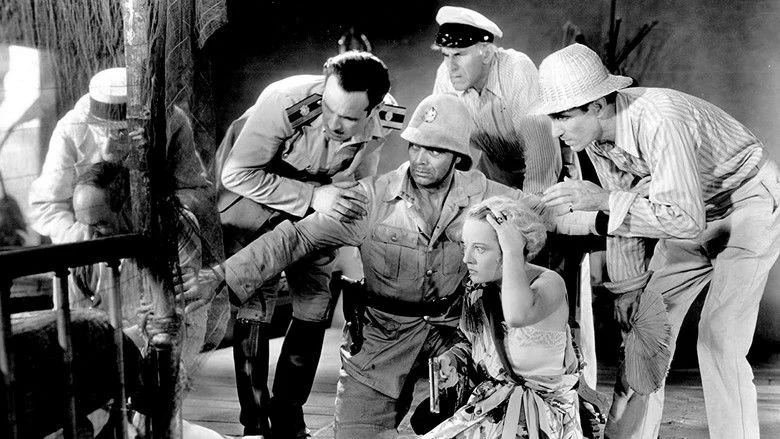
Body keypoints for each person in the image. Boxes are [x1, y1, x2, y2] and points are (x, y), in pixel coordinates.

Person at [204, 93, 601, 438]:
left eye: (435, 151)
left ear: (457, 158)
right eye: (415, 147)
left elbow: (545, 217)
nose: (420, 160)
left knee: (482, 418)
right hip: (382, 338)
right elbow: (296, 238)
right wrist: (223, 276)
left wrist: (604, 212)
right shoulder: (370, 199)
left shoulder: (485, 197)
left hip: (455, 338)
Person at [536, 43, 780, 439]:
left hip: (747, 203)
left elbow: (679, 219)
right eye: (552, 117)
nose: (555, 130)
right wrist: (628, 289)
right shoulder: (595, 138)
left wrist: (604, 201)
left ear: (597, 105)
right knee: (646, 332)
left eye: (563, 116)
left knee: (719, 338)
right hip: (687, 212)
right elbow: (627, 215)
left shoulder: (659, 119)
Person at [216, 51, 402, 438]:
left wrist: (344, 213)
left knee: (316, 298)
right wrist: (313, 196)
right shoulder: (284, 102)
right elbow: (236, 174)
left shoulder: (387, 117)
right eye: (328, 109)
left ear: (373, 109)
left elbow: (360, 177)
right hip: (253, 193)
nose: (334, 123)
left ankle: (288, 412)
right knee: (257, 297)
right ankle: (254, 421)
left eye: (348, 117)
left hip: (318, 199)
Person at [421, 196, 582, 438]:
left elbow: (517, 315)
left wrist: (513, 250)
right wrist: (452, 360)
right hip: (492, 410)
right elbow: (475, 346)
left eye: (480, 249)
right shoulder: (478, 291)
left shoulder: (549, 283)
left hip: (540, 421)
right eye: (465, 246)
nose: (467, 259)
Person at [28, 67, 211, 244]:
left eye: (122, 133)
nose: (108, 148)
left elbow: (196, 191)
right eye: (101, 133)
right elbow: (46, 205)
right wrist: (82, 239)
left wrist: (161, 215)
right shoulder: (70, 130)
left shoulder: (173, 123)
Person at [70, 161, 212, 375]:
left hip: (167, 337)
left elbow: (180, 311)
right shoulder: (78, 237)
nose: (89, 236)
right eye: (84, 224)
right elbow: (72, 318)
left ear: (128, 208)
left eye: (101, 224)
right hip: (108, 345)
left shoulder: (174, 224)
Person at [431, 6, 561, 194]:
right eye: (446, 55)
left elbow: (541, 150)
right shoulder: (446, 74)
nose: (451, 66)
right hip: (495, 169)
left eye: (459, 54)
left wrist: (533, 204)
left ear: (486, 53)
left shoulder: (516, 69)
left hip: (547, 168)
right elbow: (442, 140)